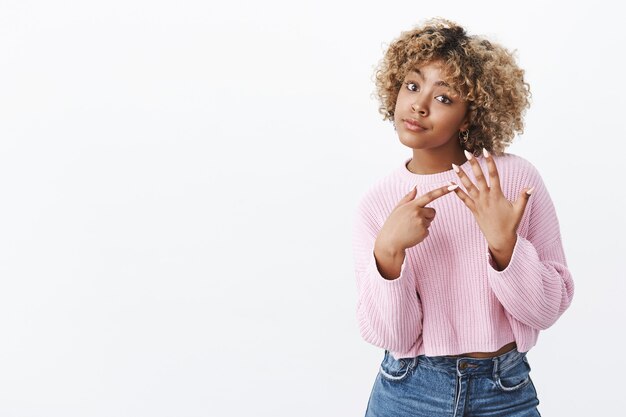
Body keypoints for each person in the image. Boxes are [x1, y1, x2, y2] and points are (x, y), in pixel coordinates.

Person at [352, 18, 575, 417]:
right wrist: (387, 254)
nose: (419, 105)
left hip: (504, 391)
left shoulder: (513, 179)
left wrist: (505, 247)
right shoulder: (378, 202)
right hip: (407, 391)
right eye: (413, 85)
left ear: (471, 114)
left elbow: (546, 309)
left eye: (444, 98)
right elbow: (394, 336)